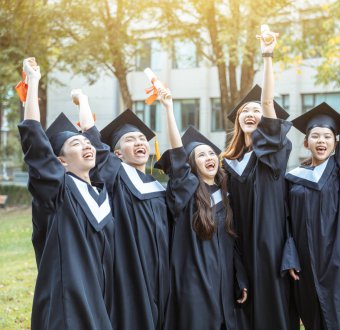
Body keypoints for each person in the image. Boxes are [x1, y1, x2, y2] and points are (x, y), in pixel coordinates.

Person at [18, 58, 115, 329]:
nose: (87, 146)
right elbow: (35, 142)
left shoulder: (100, 193)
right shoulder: (57, 189)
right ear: (59, 160)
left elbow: (99, 147)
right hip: (65, 301)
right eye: (75, 143)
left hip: (96, 297)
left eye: (87, 143)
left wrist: (83, 101)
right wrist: (33, 80)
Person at [71, 89, 170, 330]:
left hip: (163, 273)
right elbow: (94, 139)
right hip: (130, 269)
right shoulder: (115, 174)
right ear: (116, 153)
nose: (139, 142)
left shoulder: (160, 186)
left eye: (141, 139)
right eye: (130, 140)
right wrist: (84, 100)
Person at [221, 26, 299, 329]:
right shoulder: (227, 164)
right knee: (243, 307)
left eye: (256, 110)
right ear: (238, 121)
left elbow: (268, 105)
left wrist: (267, 55)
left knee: (273, 309)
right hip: (239, 247)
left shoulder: (273, 153)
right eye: (244, 111)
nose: (250, 113)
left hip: (270, 246)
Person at [154, 87, 248, 330]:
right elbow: (176, 154)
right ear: (190, 165)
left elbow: (233, 243)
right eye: (200, 155)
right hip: (194, 282)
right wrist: (168, 109)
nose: (209, 157)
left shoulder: (227, 195)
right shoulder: (185, 192)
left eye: (211, 153)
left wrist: (240, 278)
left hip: (224, 282)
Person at [285, 78, 340, 329]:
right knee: (313, 317)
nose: (321, 140)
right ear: (306, 142)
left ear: (335, 143)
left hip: (339, 260)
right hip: (305, 261)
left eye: (327, 136)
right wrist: (290, 256)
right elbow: (286, 221)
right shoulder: (293, 179)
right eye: (315, 136)